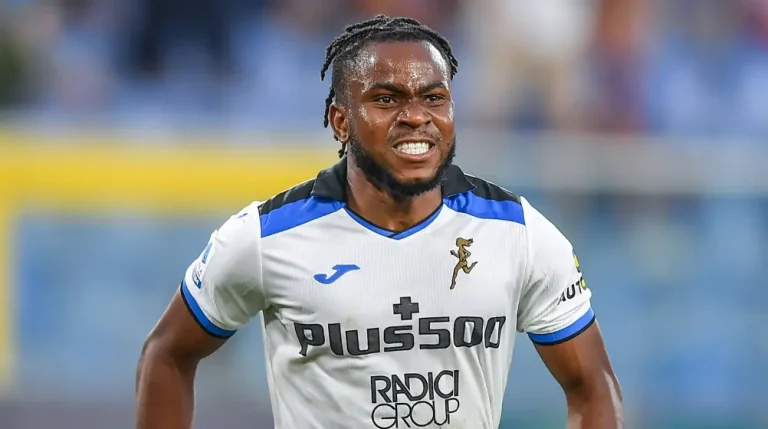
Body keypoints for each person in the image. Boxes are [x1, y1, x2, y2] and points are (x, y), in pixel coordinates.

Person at [135, 15, 623, 429]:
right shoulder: (265, 237)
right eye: (387, 99)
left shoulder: (520, 234)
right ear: (340, 121)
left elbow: (592, 385)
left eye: (434, 97)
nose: (416, 116)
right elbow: (167, 354)